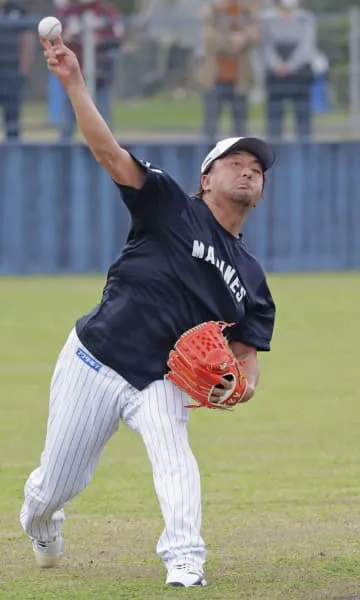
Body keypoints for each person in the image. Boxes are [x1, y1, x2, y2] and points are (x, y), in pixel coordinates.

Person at [19, 33, 276, 588]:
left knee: (174, 456)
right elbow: (109, 152)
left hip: (159, 379)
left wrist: (243, 381)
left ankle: (185, 561)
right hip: (97, 357)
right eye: (236, 161)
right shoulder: (167, 204)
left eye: (258, 167)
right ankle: (39, 520)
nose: (250, 170)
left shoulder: (253, 279)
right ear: (207, 178)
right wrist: (73, 82)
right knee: (56, 484)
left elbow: (248, 351)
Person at [56, 0, 124, 141]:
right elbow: (58, 39)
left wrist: (100, 41)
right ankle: (63, 151)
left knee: (102, 114)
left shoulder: (104, 10)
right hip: (73, 74)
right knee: (67, 120)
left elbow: (116, 38)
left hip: (99, 73)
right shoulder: (68, 12)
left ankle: (107, 148)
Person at [198, 0, 260, 142]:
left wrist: (243, 38)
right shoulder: (212, 12)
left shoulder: (247, 12)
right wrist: (231, 40)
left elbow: (255, 36)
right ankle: (209, 161)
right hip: (214, 79)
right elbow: (209, 40)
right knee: (210, 126)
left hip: (240, 79)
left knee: (240, 126)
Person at [261, 0, 317, 140]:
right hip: (275, 73)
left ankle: (305, 148)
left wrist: (290, 65)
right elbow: (264, 45)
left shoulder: (306, 19)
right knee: (275, 114)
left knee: (303, 115)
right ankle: (274, 151)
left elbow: (307, 45)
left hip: (299, 72)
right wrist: (276, 64)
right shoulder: (266, 19)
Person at [0, 0, 35, 140]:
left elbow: (28, 38)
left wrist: (23, 69)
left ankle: (12, 147)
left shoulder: (18, 9)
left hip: (11, 69)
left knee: (12, 115)